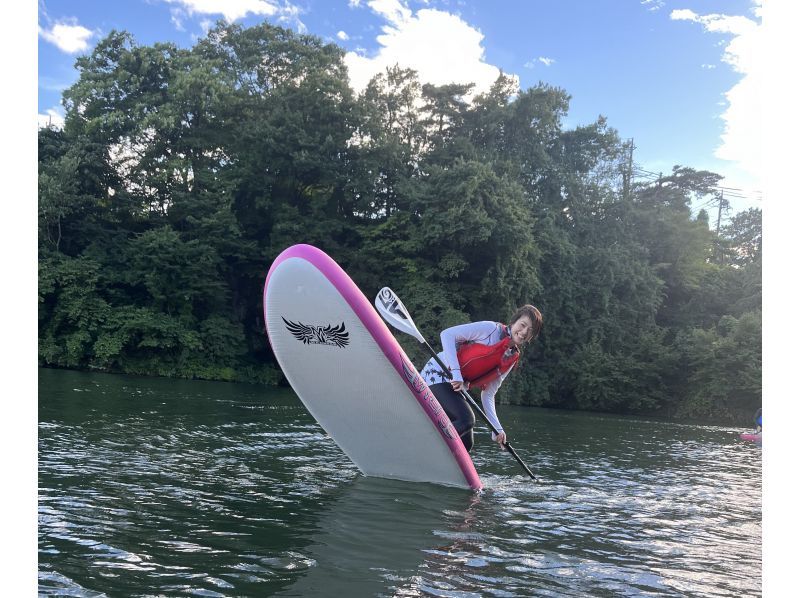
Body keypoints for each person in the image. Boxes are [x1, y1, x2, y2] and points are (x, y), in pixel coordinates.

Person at [420, 305, 543, 452]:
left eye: (530, 331)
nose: (524, 332)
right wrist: (457, 374)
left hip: (454, 386)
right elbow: (447, 335)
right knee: (466, 420)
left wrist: (496, 428)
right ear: (514, 322)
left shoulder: (511, 357)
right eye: (522, 325)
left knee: (466, 443)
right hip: (437, 373)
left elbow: (489, 394)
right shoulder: (490, 329)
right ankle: (424, 448)